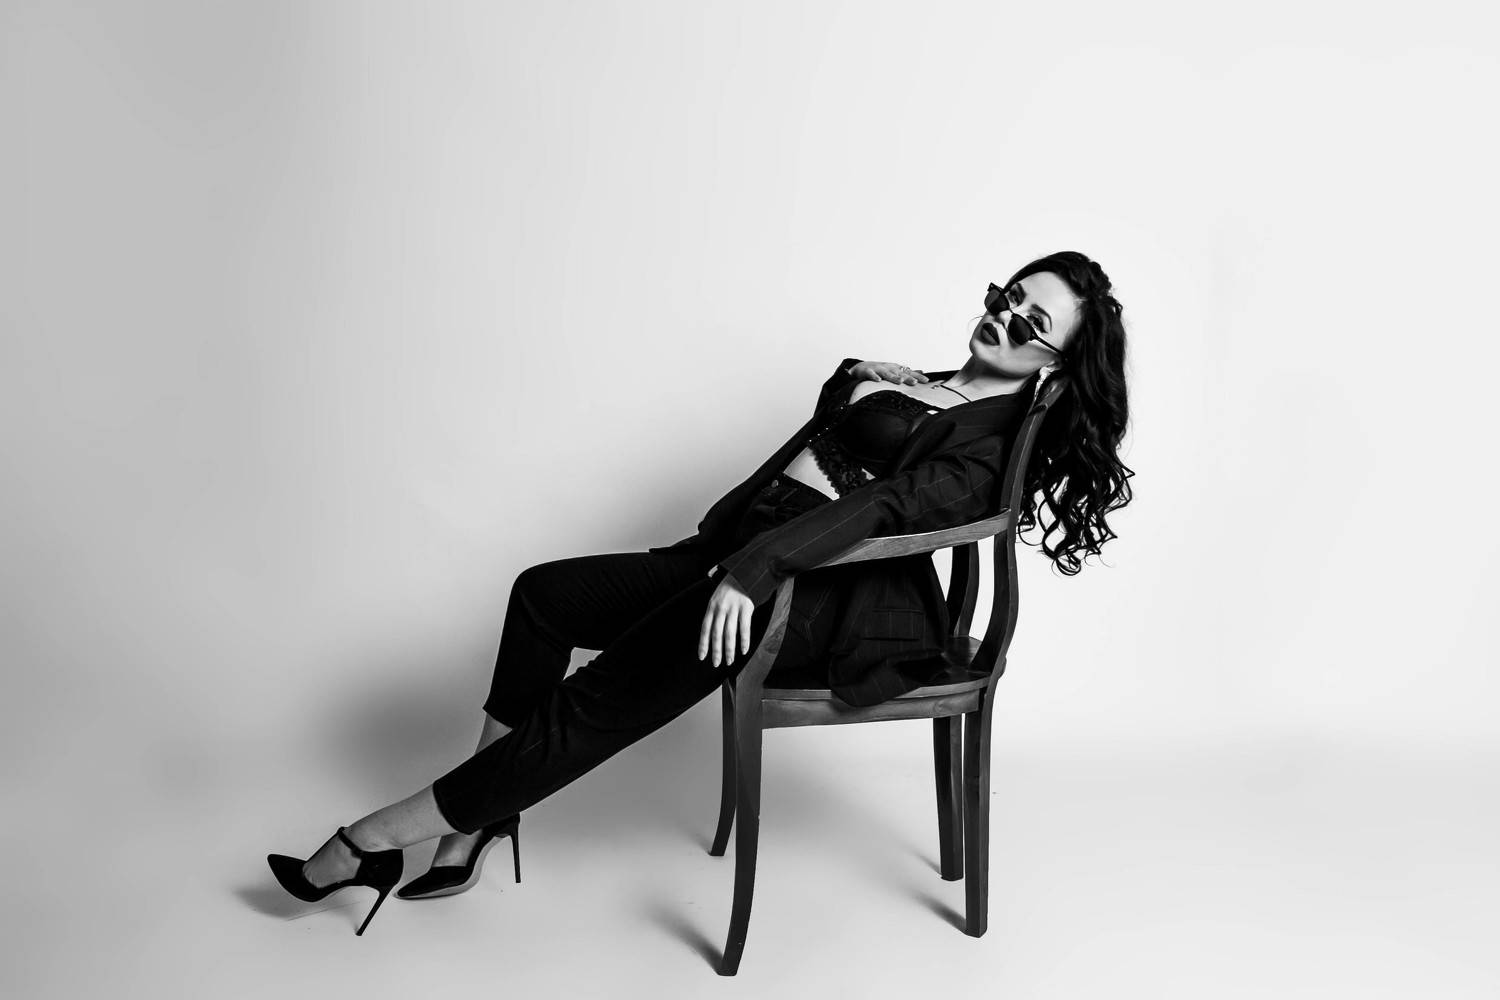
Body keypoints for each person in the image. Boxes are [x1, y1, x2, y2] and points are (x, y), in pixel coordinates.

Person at [266, 249, 1136, 936]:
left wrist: (758, 572)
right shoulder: (933, 383)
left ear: (1057, 368)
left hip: (808, 601)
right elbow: (839, 434)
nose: (1004, 318)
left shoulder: (989, 444)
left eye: (1032, 324)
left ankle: (372, 842)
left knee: (599, 699)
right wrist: (863, 379)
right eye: (1007, 296)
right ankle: (479, 820)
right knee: (543, 598)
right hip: (731, 555)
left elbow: (884, 507)